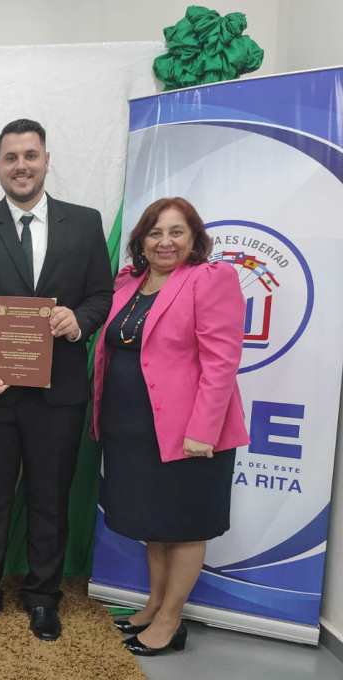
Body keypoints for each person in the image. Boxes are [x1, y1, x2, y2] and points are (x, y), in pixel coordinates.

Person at [0, 118, 113, 640]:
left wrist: (79, 321)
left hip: (58, 393)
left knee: (49, 496)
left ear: (46, 160)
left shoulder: (85, 224)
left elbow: (101, 296)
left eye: (31, 155)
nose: (22, 165)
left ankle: (43, 596)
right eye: (11, 157)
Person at [93, 197, 248, 656]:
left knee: (184, 525)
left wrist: (204, 428)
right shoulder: (128, 283)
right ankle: (153, 604)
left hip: (190, 432)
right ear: (141, 239)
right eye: (155, 232)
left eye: (176, 232)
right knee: (155, 524)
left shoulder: (210, 280)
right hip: (134, 428)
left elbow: (222, 363)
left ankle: (170, 620)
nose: (165, 242)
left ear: (194, 238)